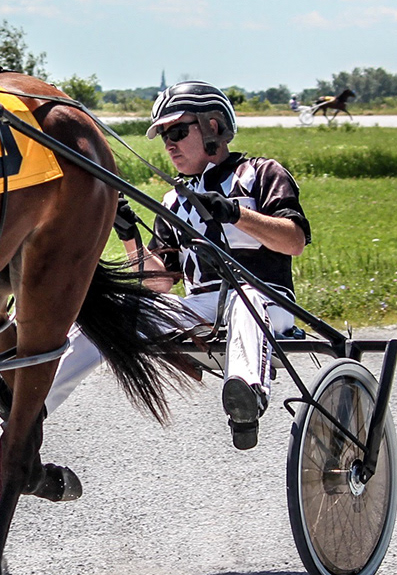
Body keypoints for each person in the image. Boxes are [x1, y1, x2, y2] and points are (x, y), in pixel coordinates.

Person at [44, 81, 312, 449]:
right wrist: (126, 234)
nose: (169, 143)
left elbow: (294, 241)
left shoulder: (262, 173)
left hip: (267, 300)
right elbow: (158, 283)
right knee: (116, 311)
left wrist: (235, 213)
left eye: (178, 131)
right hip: (201, 306)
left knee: (244, 297)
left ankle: (247, 394)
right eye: (164, 135)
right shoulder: (174, 201)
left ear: (213, 127)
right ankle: (33, 399)